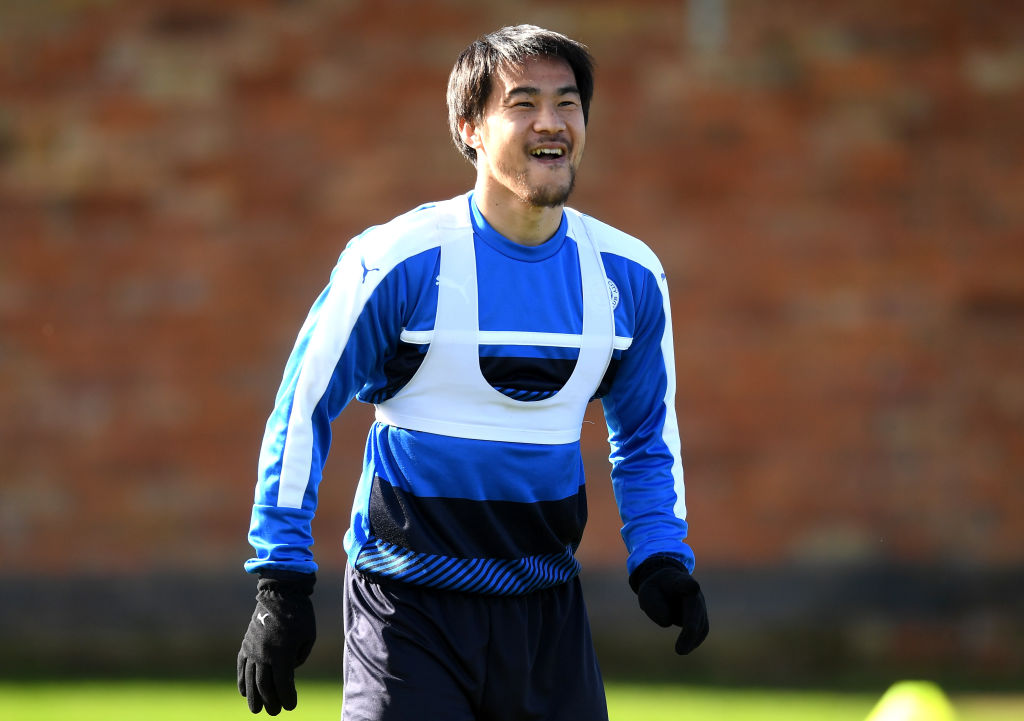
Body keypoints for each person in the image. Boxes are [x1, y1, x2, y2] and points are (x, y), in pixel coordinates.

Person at [237, 24, 709, 720]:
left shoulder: (630, 275)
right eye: (522, 104)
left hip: (547, 611)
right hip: (406, 613)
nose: (550, 122)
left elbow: (644, 436)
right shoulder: (396, 261)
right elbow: (302, 408)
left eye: (567, 103)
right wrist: (280, 580)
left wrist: (660, 556)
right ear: (469, 129)